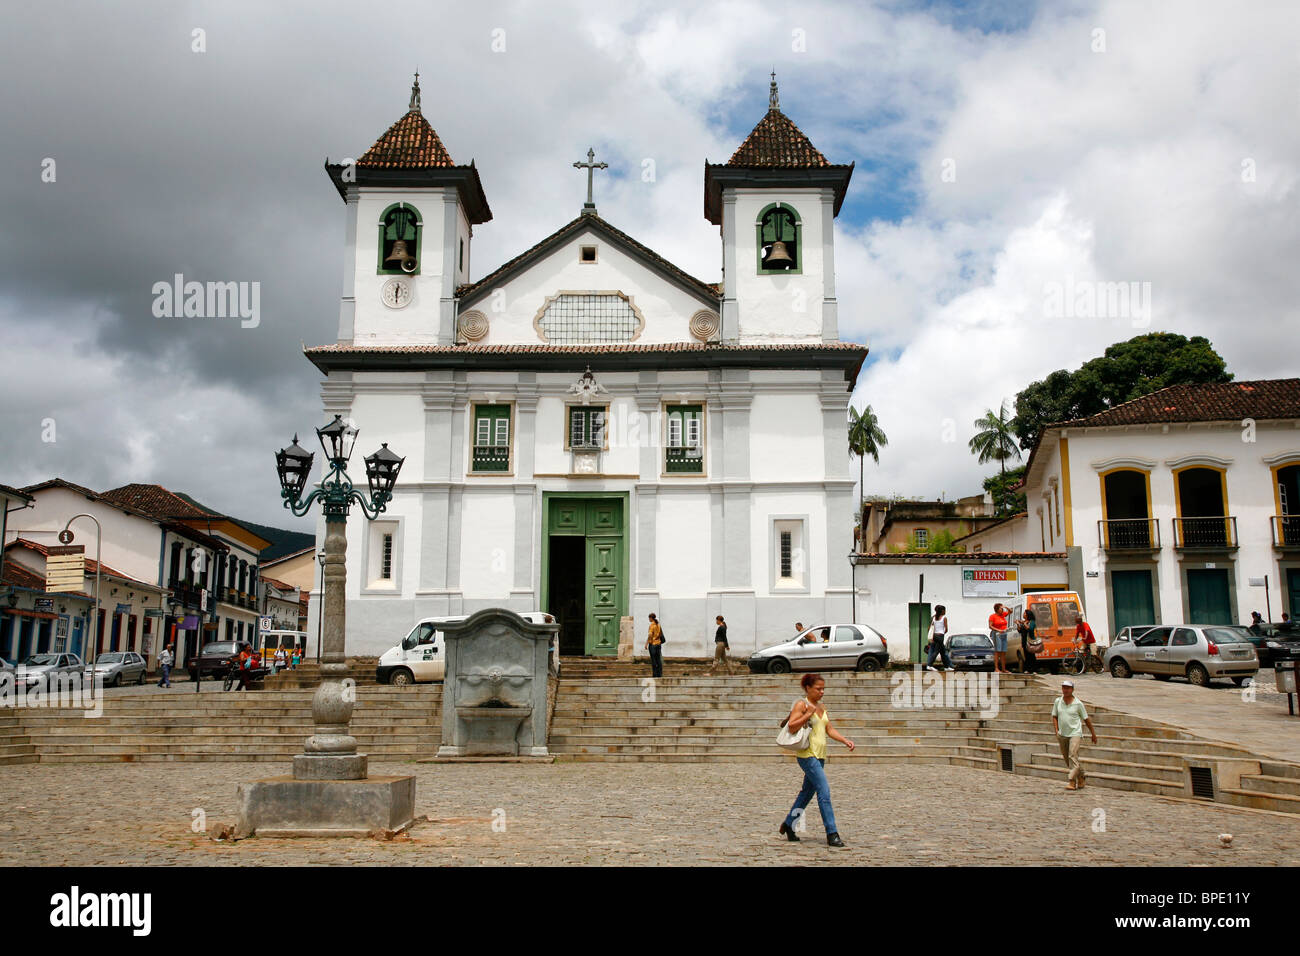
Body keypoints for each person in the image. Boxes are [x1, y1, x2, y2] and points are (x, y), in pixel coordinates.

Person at [779, 673, 855, 847]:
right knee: (824, 791)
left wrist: (844, 740)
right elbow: (792, 725)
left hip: (820, 755)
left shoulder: (821, 706)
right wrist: (808, 714)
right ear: (808, 688)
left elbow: (829, 729)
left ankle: (789, 824)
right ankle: (832, 833)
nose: (822, 692)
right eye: (818, 689)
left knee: (806, 793)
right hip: (807, 754)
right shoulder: (802, 704)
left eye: (823, 689)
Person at [1051, 679, 1096, 790]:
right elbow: (1054, 716)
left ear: (1072, 690)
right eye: (1064, 688)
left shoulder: (1078, 703)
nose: (1065, 690)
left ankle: (1072, 781)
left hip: (1075, 732)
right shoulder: (1058, 701)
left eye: (1068, 688)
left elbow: (1086, 719)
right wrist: (1056, 730)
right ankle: (1081, 776)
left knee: (1072, 755)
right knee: (1068, 759)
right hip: (1063, 733)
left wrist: (1093, 733)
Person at [925, 605, 952, 671]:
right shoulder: (944, 618)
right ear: (942, 611)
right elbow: (946, 629)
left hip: (934, 636)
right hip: (940, 636)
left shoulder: (933, 617)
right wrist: (942, 633)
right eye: (944, 610)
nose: (945, 611)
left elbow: (929, 628)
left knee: (943, 651)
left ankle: (946, 667)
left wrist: (931, 636)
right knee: (936, 651)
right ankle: (929, 665)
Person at [988, 603, 1010, 673]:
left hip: (1004, 634)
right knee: (997, 651)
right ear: (997, 609)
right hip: (997, 634)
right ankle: (996, 668)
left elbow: (1010, 612)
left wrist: (1006, 607)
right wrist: (998, 630)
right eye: (1001, 608)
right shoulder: (992, 616)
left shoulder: (1003, 615)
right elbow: (990, 626)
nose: (1002, 610)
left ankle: (1003, 669)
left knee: (1003, 651)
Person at [1017, 608, 1038, 673]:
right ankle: (1028, 669)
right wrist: (1018, 624)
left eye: (1024, 613)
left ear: (1027, 615)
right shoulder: (1024, 622)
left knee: (1032, 656)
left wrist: (1025, 624)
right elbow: (1020, 631)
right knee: (1026, 656)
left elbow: (1030, 629)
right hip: (1024, 641)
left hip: (1030, 641)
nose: (1023, 614)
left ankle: (1034, 669)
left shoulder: (1031, 622)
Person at [644, 613, 664, 678]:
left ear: (651, 618)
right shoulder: (658, 625)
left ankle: (655, 674)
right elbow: (660, 634)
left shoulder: (652, 625)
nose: (649, 619)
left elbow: (650, 635)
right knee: (658, 659)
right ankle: (659, 674)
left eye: (649, 618)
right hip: (658, 644)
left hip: (653, 644)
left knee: (653, 660)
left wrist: (647, 643)